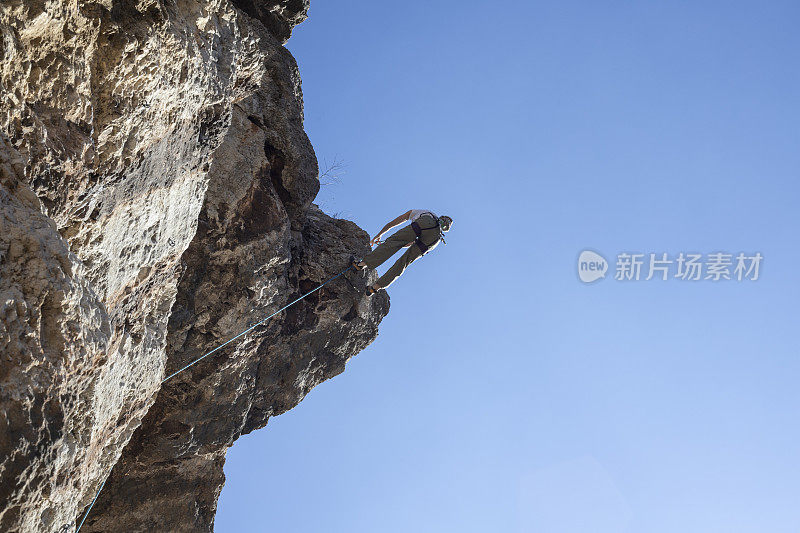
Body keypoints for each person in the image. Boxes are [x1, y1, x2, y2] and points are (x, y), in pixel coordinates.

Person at [352, 210, 453, 294]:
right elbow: (411, 244)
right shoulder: (437, 230)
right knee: (404, 262)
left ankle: (360, 265)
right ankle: (374, 288)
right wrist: (402, 243)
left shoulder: (424, 212)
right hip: (434, 240)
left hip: (426, 222)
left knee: (393, 242)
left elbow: (393, 224)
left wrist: (380, 234)